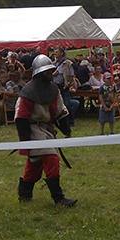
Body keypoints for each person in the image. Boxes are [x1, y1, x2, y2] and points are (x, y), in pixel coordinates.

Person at [15, 54, 76, 206]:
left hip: (47, 130)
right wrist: (26, 142)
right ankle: (58, 198)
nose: (50, 74)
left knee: (35, 164)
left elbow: (60, 112)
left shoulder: (53, 90)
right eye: (47, 72)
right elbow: (21, 117)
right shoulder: (28, 92)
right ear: (39, 73)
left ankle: (24, 194)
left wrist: (66, 130)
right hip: (33, 129)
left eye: (51, 71)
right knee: (51, 159)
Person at [52, 47, 79, 128]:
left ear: (62, 53)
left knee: (66, 104)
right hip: (55, 86)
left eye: (57, 52)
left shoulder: (67, 63)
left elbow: (71, 75)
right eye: (55, 52)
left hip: (64, 86)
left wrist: (67, 84)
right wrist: (54, 74)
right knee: (56, 104)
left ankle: (71, 122)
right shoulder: (54, 63)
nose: (55, 53)